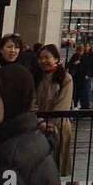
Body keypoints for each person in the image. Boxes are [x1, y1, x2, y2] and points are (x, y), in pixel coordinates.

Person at [34, 44, 74, 177]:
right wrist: (39, 121)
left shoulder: (65, 78)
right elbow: (32, 101)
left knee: (57, 165)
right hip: (38, 125)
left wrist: (50, 123)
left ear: (56, 59)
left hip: (58, 126)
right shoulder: (36, 76)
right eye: (40, 58)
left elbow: (63, 103)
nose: (43, 61)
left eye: (47, 57)